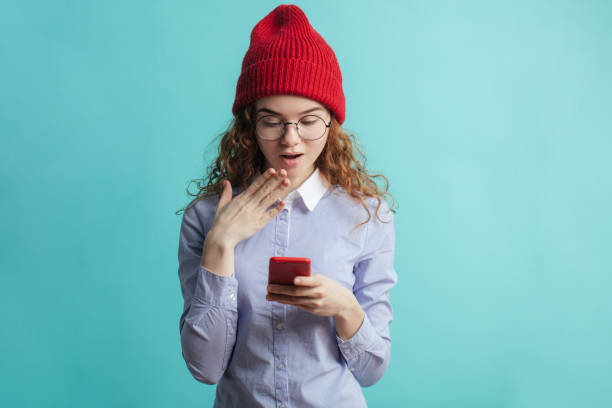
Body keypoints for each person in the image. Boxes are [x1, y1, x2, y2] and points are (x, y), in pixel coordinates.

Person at [176, 5, 397, 407]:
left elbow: (372, 370)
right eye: (272, 121)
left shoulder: (367, 216)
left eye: (309, 120)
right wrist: (220, 246)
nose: (291, 140)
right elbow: (205, 369)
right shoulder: (205, 218)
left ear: (332, 122)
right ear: (250, 125)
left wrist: (345, 309)